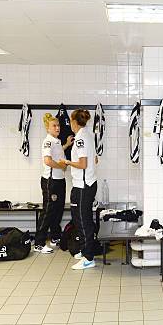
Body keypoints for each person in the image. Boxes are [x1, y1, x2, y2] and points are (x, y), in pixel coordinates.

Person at [60, 109, 99, 270]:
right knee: (85, 220)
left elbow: (83, 164)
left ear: (74, 121)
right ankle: (86, 251)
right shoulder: (88, 135)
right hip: (88, 184)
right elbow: (95, 159)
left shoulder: (81, 139)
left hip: (83, 187)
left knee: (82, 222)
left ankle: (88, 257)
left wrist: (67, 162)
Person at [34, 113, 73, 254]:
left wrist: (67, 145)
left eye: (58, 125)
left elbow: (57, 153)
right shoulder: (48, 141)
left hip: (60, 180)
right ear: (47, 127)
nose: (57, 128)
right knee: (48, 211)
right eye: (54, 126)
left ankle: (55, 237)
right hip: (50, 181)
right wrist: (61, 166)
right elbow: (48, 161)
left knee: (58, 210)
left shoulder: (56, 141)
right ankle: (38, 242)